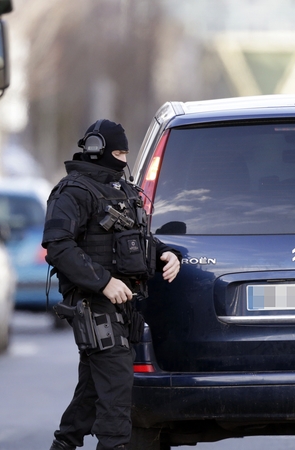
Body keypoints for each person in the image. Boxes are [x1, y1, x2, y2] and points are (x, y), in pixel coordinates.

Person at [43, 119, 181, 450]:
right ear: (95, 149)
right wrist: (104, 282)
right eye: (117, 152)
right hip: (94, 304)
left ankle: (64, 444)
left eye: (125, 153)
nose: (122, 159)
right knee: (117, 391)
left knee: (92, 391)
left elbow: (138, 239)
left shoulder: (124, 191)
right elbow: (58, 245)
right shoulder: (73, 191)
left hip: (124, 307)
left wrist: (167, 254)